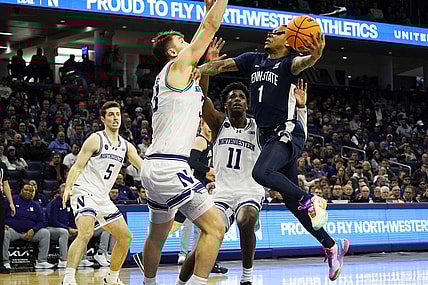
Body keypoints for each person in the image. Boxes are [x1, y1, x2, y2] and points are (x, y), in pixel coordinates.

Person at [199, 26, 348, 281]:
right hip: (268, 137)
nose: (270, 34)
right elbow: (220, 67)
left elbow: (306, 61)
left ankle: (312, 199)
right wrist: (203, 65)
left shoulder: (290, 63)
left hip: (287, 131)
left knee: (262, 172)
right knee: (291, 202)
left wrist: (316, 55)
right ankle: (332, 246)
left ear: (289, 42)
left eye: (277, 33)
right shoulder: (253, 60)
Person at [139, 0, 228, 283]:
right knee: (215, 228)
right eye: (182, 40)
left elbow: (200, 97)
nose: (188, 42)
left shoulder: (180, 77)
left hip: (154, 166)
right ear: (173, 51)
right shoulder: (176, 65)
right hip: (170, 166)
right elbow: (210, 26)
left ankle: (149, 283)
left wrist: (207, 62)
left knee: (157, 235)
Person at [177, 81, 268, 285]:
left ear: (247, 105)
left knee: (247, 219)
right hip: (223, 193)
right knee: (207, 237)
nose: (237, 99)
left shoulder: (258, 127)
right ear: (225, 104)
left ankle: (246, 278)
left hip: (250, 190)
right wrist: (208, 69)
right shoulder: (219, 123)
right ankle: (180, 282)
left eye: (241, 97)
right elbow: (201, 97)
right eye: (232, 97)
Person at [61, 101, 144, 285]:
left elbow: (142, 167)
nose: (115, 118)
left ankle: (112, 278)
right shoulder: (95, 139)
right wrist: (68, 187)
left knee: (126, 237)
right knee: (85, 232)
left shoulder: (126, 146)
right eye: (111, 114)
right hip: (84, 190)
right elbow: (77, 166)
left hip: (102, 197)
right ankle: (68, 279)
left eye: (118, 114)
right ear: (103, 119)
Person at [3, 184, 54, 269]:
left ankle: (42, 261)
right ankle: (5, 262)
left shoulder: (36, 205)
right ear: (22, 190)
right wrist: (2, 224)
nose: (28, 192)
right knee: (4, 233)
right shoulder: (12, 200)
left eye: (31, 191)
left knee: (45, 233)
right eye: (26, 190)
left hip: (29, 233)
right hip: (13, 231)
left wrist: (33, 230)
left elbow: (42, 221)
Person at [0, 160, 15, 273]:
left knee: (1, 233)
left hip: (0, 200)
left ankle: (1, 263)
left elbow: (5, 184)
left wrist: (11, 202)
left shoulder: (2, 165)